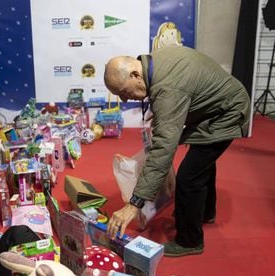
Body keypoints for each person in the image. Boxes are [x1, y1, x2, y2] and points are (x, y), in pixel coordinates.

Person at [104, 46, 251, 257]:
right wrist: (167, 113)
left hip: (227, 113)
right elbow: (183, 91)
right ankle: (205, 212)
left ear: (136, 75)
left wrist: (134, 203)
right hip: (220, 104)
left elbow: (163, 149)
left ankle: (189, 241)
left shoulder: (167, 89)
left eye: (125, 92)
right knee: (201, 163)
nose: (126, 100)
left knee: (189, 177)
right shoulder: (155, 63)